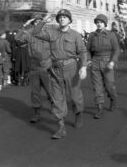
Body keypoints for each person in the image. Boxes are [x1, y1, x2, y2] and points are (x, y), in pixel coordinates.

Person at [32, 9, 87, 139]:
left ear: (69, 20)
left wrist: (83, 66)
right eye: (60, 17)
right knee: (57, 98)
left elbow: (82, 51)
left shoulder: (75, 35)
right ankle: (61, 126)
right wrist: (43, 21)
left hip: (71, 67)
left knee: (74, 95)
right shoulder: (51, 33)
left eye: (65, 17)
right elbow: (35, 33)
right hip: (55, 69)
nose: (62, 19)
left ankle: (78, 113)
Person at [15, 13, 53, 123]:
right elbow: (17, 39)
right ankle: (37, 113)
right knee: (35, 92)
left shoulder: (49, 32)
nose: (37, 23)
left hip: (46, 65)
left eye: (39, 21)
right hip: (34, 66)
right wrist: (24, 26)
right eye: (35, 21)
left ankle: (54, 106)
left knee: (49, 90)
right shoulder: (29, 33)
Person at [87, 14, 120, 119]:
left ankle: (113, 98)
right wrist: (88, 60)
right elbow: (87, 49)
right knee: (97, 87)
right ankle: (100, 108)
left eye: (101, 22)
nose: (99, 24)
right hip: (95, 61)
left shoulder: (111, 35)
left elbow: (116, 50)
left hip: (107, 62)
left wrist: (112, 61)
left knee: (109, 85)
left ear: (105, 24)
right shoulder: (92, 35)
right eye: (97, 22)